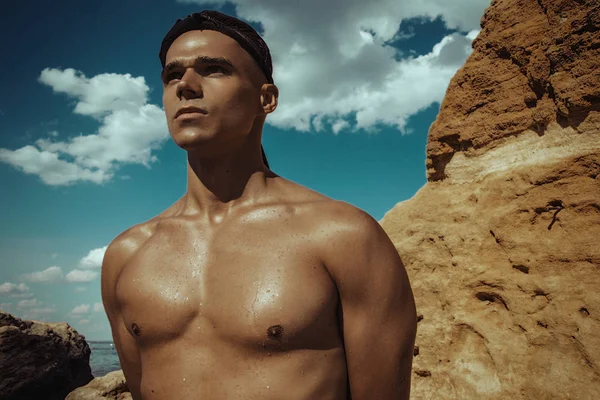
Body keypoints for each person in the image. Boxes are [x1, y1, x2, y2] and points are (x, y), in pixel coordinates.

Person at [101, 10, 417, 400]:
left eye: (214, 69)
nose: (185, 86)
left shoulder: (344, 237)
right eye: (171, 75)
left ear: (266, 99)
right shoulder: (126, 255)